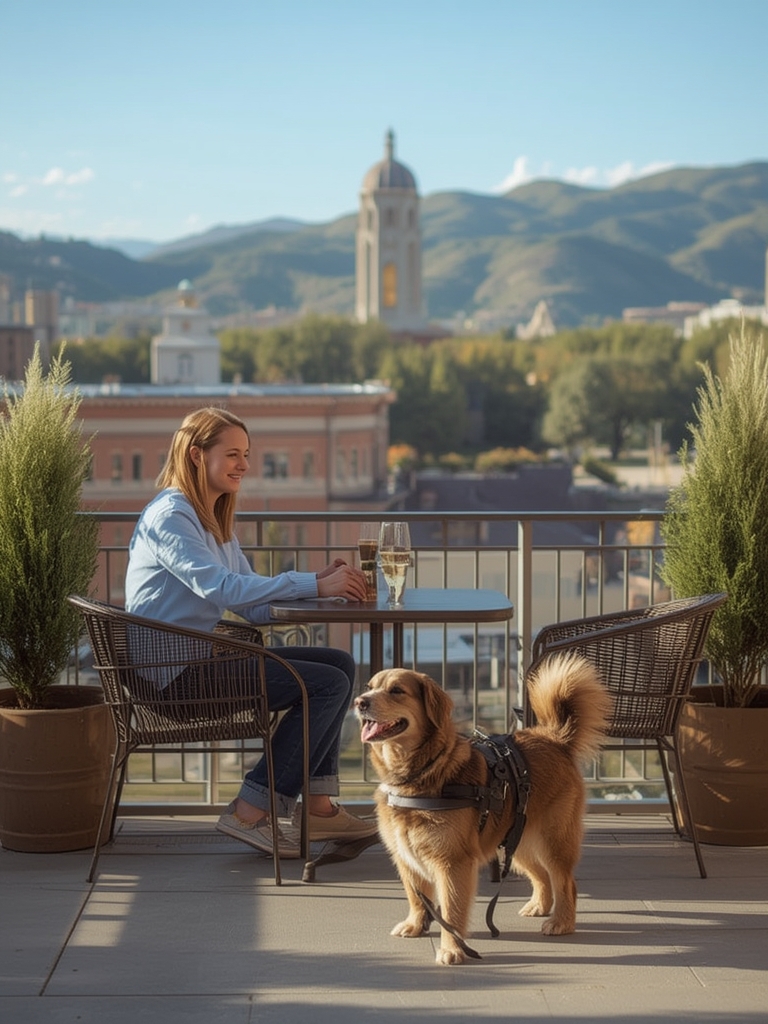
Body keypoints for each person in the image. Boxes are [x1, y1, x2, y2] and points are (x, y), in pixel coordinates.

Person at [124, 406, 377, 858]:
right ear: (198, 455)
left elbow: (255, 606)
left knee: (339, 664)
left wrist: (322, 589)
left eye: (247, 454)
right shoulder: (172, 515)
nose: (244, 464)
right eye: (234, 454)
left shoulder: (212, 518)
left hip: (196, 659)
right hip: (171, 674)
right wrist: (314, 584)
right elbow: (221, 587)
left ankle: (318, 809)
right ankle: (249, 811)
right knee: (325, 684)